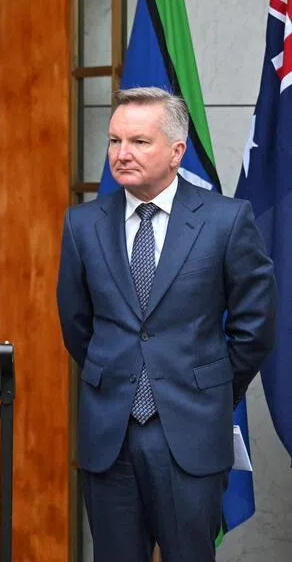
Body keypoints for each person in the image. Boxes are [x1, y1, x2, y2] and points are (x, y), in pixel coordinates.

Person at [57, 87, 277, 562]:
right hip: (109, 435)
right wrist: (117, 373)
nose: (121, 154)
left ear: (177, 151)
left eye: (138, 142)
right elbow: (77, 325)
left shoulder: (226, 220)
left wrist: (209, 385)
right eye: (114, 141)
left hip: (191, 430)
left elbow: (254, 326)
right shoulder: (83, 224)